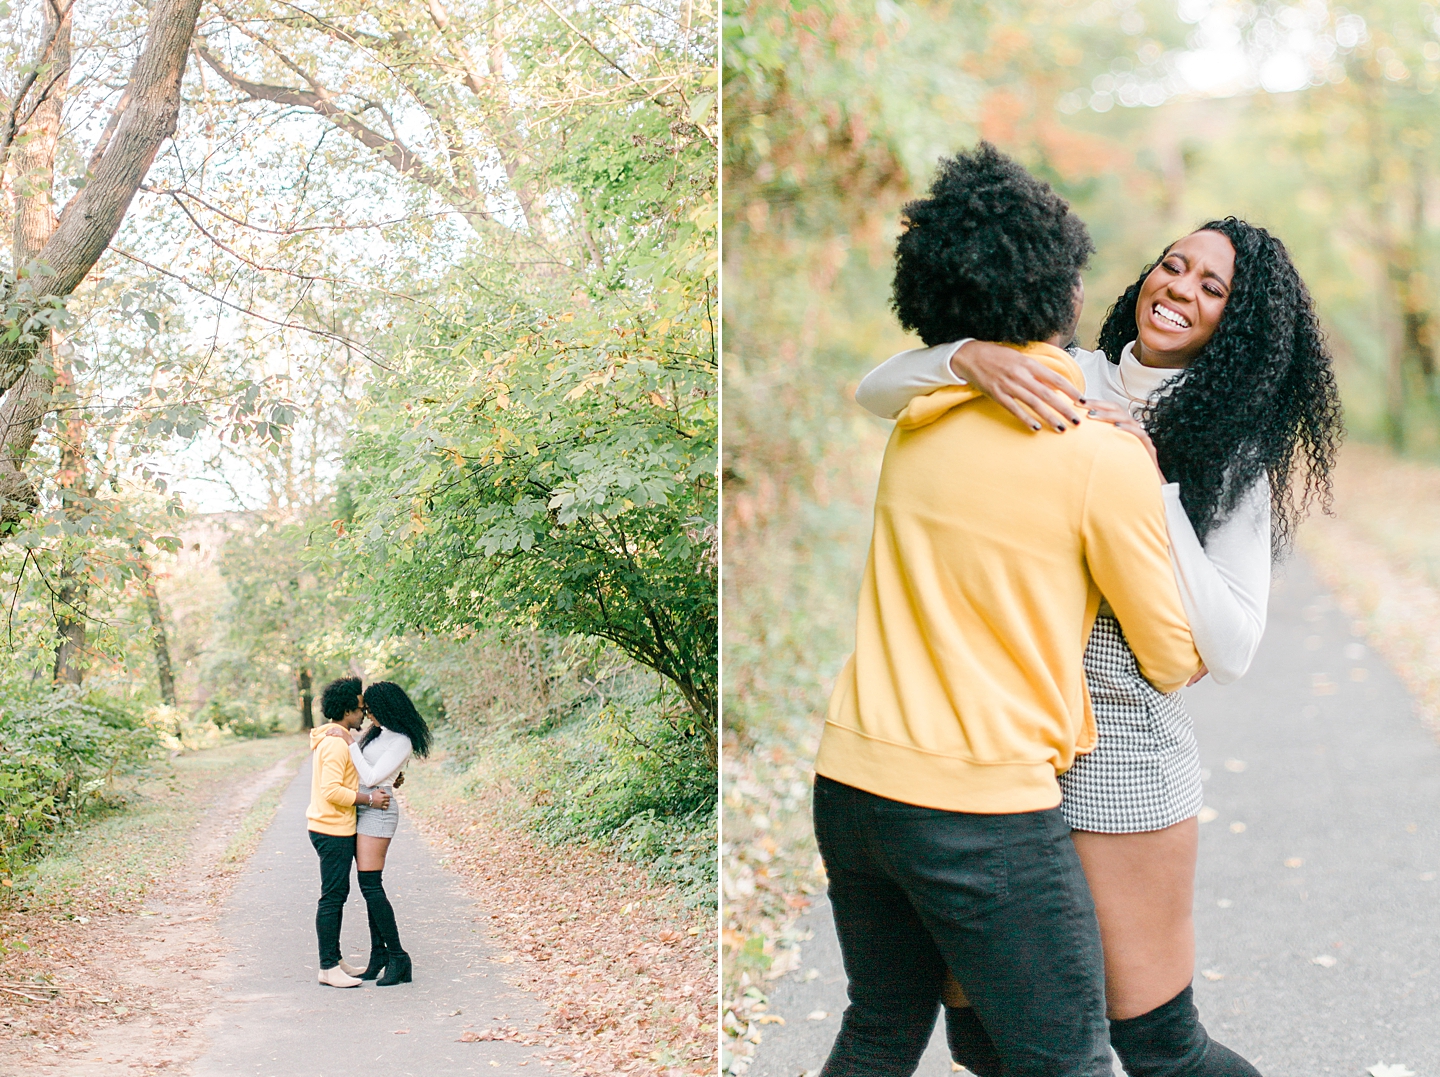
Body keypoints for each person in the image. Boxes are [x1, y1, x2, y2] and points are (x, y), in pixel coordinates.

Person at [856, 217, 1342, 1075]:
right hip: (1001, 744)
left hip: (1119, 753)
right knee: (987, 1037)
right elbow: (877, 391)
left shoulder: (1237, 450)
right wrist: (969, 357)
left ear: (1238, 321)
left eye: (1211, 287)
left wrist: (1149, 484)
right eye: (1174, 266)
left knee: (1156, 1043)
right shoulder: (1065, 374)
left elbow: (1229, 648)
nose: (1180, 290)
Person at [812, 142, 1202, 1077]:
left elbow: (888, 381)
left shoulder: (920, 418)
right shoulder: (1096, 453)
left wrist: (959, 357)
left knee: (877, 1034)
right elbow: (1172, 655)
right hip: (979, 807)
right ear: (1063, 290)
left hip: (853, 783)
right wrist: (1149, 489)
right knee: (1067, 1061)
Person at [318, 680, 432, 986]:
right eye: (364, 710)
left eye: (370, 710)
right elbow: (363, 769)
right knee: (368, 883)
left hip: (378, 812)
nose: (367, 716)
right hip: (364, 808)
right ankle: (378, 955)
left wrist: (347, 740)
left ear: (386, 708)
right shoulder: (380, 734)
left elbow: (369, 776)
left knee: (370, 884)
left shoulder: (402, 741)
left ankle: (398, 957)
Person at [307, 676, 390, 988]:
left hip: (336, 827)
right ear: (345, 710)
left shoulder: (340, 740)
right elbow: (331, 791)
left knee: (337, 895)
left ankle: (335, 960)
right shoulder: (334, 743)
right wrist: (369, 799)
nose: (363, 714)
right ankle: (327, 967)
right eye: (359, 708)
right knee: (332, 897)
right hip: (330, 830)